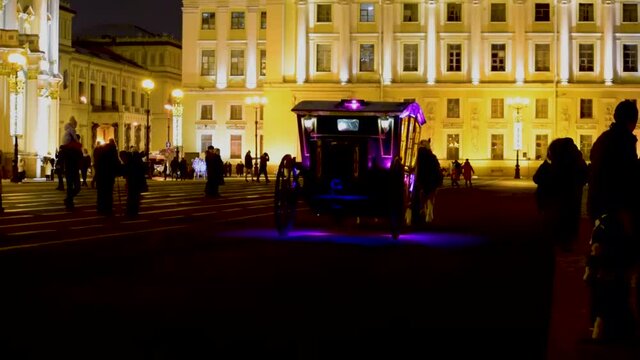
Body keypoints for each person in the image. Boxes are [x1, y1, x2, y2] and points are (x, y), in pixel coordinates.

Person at [585, 99, 640, 342]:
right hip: (616, 212)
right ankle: (614, 324)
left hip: (600, 212)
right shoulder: (624, 142)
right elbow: (626, 181)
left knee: (605, 267)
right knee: (617, 268)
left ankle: (600, 321)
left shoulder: (603, 141)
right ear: (633, 121)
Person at [532, 138, 588, 252]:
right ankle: (567, 244)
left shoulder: (553, 166)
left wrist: (547, 162)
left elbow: (537, 178)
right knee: (568, 226)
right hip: (571, 205)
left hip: (553, 206)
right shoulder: (577, 164)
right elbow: (585, 177)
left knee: (554, 228)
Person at [412, 139, 442, 225]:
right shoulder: (433, 157)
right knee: (430, 198)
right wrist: (438, 181)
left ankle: (422, 212)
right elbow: (437, 170)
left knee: (422, 198)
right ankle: (429, 215)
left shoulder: (419, 157)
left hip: (422, 181)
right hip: (432, 182)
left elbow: (417, 169)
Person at [60, 117, 83, 210]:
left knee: (74, 187)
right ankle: (69, 202)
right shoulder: (72, 149)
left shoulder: (68, 148)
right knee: (74, 187)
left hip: (71, 169)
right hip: (71, 169)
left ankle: (69, 200)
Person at [93, 138, 120, 216]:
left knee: (101, 192)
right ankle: (108, 208)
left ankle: (100, 208)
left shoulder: (100, 152)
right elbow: (116, 163)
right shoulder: (113, 151)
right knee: (108, 192)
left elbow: (97, 165)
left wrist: (95, 178)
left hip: (101, 176)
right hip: (109, 175)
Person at [120, 150, 146, 216]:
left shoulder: (131, 162)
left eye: (122, 158)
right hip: (134, 182)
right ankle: (133, 211)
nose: (122, 160)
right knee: (134, 197)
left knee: (132, 197)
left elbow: (128, 172)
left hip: (134, 182)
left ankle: (131, 211)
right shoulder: (132, 160)